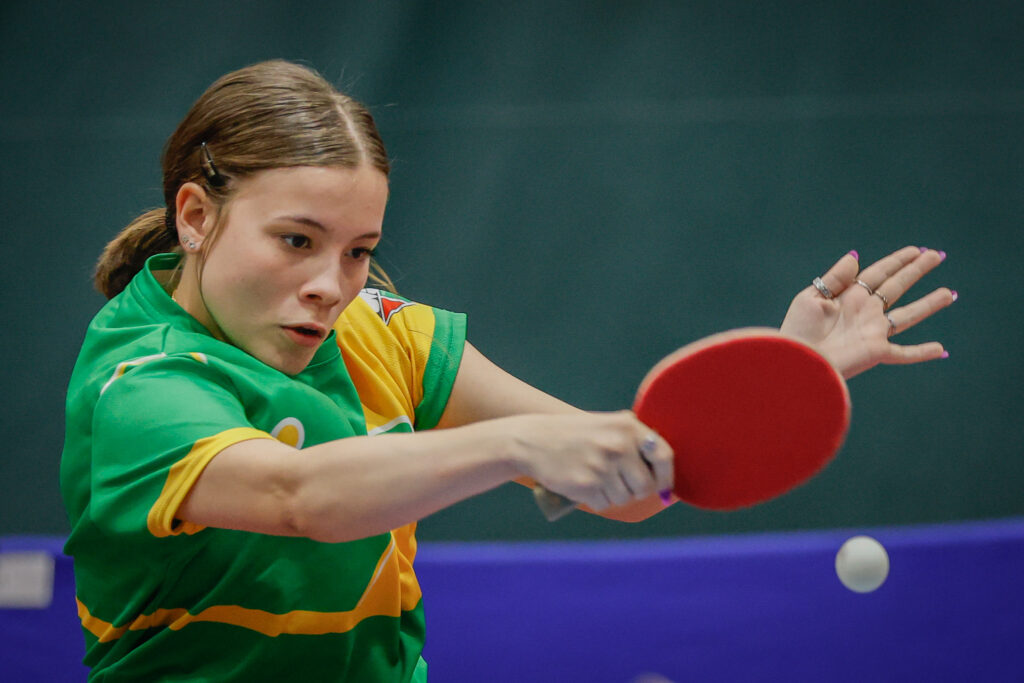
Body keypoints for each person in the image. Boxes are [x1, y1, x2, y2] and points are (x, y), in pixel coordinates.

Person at [60, 60, 955, 682]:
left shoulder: (385, 334)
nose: (330, 285)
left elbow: (633, 481)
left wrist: (789, 372)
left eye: (360, 249)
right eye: (296, 240)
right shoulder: (138, 385)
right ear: (194, 215)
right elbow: (302, 496)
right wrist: (519, 443)